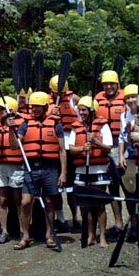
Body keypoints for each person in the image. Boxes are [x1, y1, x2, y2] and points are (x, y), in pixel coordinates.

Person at [9, 91, 67, 250]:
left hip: (50, 167)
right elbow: (15, 146)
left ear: (45, 107)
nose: (34, 110)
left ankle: (49, 235)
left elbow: (62, 150)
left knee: (49, 201)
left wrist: (63, 172)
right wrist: (10, 129)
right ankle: (25, 236)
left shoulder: (56, 124)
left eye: (37, 107)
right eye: (32, 107)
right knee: (25, 202)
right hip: (30, 167)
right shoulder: (25, 124)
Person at [67, 96, 112, 247]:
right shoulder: (76, 127)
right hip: (81, 170)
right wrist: (82, 148)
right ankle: (90, 235)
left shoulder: (103, 126)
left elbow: (108, 148)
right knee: (85, 205)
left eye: (84, 110)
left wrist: (95, 141)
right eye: (80, 110)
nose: (81, 113)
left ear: (92, 111)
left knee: (99, 204)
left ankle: (103, 237)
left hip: (98, 169)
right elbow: (71, 149)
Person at [0, 96, 27, 245]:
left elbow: (16, 145)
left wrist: (11, 127)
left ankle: (23, 230)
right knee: (2, 200)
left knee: (18, 200)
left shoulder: (21, 124)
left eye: (2, 109)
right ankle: (4, 231)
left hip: (16, 166)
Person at [94, 70, 127, 235]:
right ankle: (118, 223)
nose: (108, 87)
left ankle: (133, 224)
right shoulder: (97, 100)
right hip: (103, 145)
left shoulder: (126, 99)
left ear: (117, 84)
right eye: (106, 84)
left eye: (111, 84)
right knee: (112, 187)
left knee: (128, 186)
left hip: (121, 145)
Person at [48, 74, 79, 231]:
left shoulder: (73, 99)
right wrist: (49, 113)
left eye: (61, 93)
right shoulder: (46, 102)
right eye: (56, 93)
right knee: (57, 187)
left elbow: (84, 106)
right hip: (55, 146)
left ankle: (75, 217)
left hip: (70, 143)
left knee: (71, 187)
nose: (59, 95)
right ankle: (60, 219)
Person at [118, 84, 139, 243]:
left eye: (133, 97)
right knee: (130, 191)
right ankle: (134, 227)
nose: (131, 100)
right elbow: (122, 137)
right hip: (130, 158)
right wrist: (121, 156)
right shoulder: (124, 116)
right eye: (128, 98)